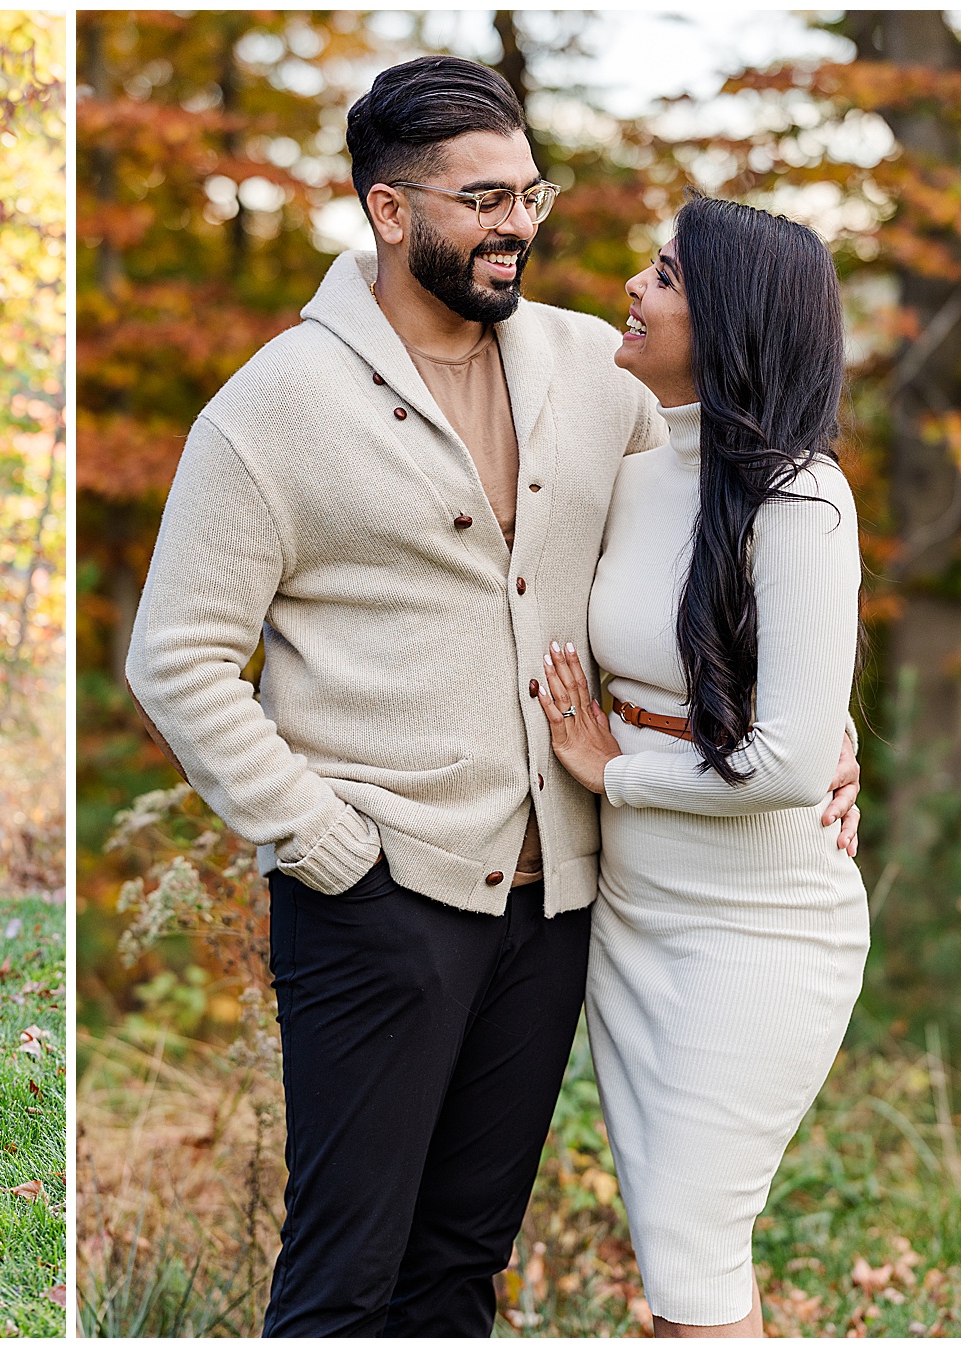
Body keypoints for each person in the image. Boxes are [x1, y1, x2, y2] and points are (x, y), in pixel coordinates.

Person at [123, 55, 861, 1337]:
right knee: (344, 1279)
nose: (518, 223)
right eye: (482, 199)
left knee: (462, 1267)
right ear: (391, 209)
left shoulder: (595, 373)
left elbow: (721, 559)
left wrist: (822, 728)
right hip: (377, 897)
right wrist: (324, 836)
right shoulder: (273, 405)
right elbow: (176, 656)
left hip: (562, 907)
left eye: (530, 193)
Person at [536, 195, 866, 1337]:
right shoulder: (638, 462)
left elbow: (784, 766)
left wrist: (608, 768)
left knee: (693, 1267)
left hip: (757, 929)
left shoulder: (804, 497)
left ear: (724, 319)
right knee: (682, 1265)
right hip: (637, 915)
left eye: (666, 276)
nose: (633, 285)